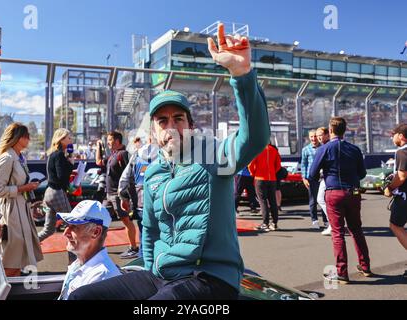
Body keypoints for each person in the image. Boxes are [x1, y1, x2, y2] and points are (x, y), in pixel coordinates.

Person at [68, 23, 270, 300]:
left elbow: (255, 137)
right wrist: (150, 267)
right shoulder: (153, 173)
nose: (171, 125)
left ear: (190, 124)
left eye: (178, 118)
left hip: (209, 278)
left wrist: (241, 74)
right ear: (153, 131)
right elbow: (149, 230)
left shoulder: (213, 155)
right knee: (82, 297)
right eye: (163, 121)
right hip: (162, 275)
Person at [309, 117, 370, 284]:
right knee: (356, 229)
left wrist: (325, 174)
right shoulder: (355, 149)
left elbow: (312, 173)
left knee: (337, 233)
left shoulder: (325, 149)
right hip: (353, 191)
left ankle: (342, 272)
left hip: (334, 192)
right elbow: (362, 174)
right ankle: (365, 266)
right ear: (345, 130)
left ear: (330, 130)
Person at [0, 123, 43, 277]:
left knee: (19, 258)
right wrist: (23, 188)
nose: (29, 139)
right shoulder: (7, 158)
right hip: (10, 213)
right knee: (11, 259)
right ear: (17, 137)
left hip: (20, 209)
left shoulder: (19, 158)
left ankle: (16, 290)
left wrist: (26, 189)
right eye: (26, 136)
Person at [57, 200, 121, 300]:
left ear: (96, 232)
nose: (65, 233)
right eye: (67, 226)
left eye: (74, 227)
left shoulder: (101, 278)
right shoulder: (79, 264)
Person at [96, 131, 138, 259]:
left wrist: (125, 197)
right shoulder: (112, 155)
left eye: (109, 140)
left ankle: (134, 248)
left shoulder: (123, 154)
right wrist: (99, 147)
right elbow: (98, 162)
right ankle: (97, 247)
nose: (108, 142)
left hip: (118, 195)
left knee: (126, 221)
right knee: (100, 219)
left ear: (117, 141)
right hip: (108, 195)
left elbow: (130, 175)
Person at [118, 136, 159, 256]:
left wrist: (123, 198)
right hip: (162, 202)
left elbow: (125, 179)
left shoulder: (137, 155)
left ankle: (144, 265)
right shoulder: (166, 153)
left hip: (142, 203)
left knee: (145, 237)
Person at [38, 128, 74, 242]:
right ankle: (74, 257)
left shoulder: (54, 154)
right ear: (61, 139)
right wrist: (70, 164)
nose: (71, 140)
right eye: (68, 138)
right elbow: (61, 176)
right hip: (57, 191)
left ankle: (27, 246)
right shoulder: (59, 155)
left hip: (49, 192)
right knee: (73, 224)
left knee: (48, 229)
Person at [383, 123, 407, 279]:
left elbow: (402, 176)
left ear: (401, 136)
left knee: (395, 225)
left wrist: (389, 188)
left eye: (393, 135)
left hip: (404, 197)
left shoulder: (402, 151)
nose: (392, 138)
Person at [248, 144, 282, 231]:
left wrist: (253, 173)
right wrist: (272, 172)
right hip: (272, 178)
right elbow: (278, 165)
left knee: (263, 201)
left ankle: (265, 223)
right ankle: (274, 223)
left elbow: (250, 164)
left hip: (260, 178)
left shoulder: (257, 149)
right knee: (273, 201)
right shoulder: (274, 150)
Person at [301, 129, 328, 230]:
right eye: (311, 137)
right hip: (311, 178)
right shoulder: (306, 150)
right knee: (313, 200)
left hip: (323, 178)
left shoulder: (324, 148)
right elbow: (303, 164)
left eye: (315, 136)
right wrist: (304, 178)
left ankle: (326, 221)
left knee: (324, 200)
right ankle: (314, 220)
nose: (313, 139)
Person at [316, 127, 331, 236]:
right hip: (326, 177)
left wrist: (313, 175)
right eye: (317, 136)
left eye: (321, 134)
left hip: (328, 178)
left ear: (327, 134)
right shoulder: (322, 147)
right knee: (321, 199)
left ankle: (333, 224)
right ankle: (334, 223)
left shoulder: (325, 147)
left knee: (321, 199)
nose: (319, 137)